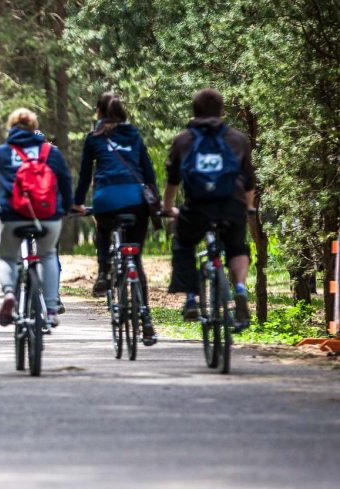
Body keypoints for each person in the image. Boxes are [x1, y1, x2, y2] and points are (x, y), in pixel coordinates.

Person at [163, 87, 255, 329]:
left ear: (194, 111)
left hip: (197, 208)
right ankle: (240, 289)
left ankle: (192, 298)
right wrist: (249, 207)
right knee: (237, 247)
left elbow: (173, 179)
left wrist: (168, 208)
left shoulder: (184, 139)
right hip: (232, 205)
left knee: (183, 244)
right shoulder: (237, 139)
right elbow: (248, 180)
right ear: (222, 111)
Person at [73, 92, 158, 344]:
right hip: (136, 201)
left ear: (98, 112)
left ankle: (103, 273)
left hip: (106, 200)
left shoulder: (94, 137)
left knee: (103, 230)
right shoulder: (133, 135)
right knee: (136, 259)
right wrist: (155, 199)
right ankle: (147, 321)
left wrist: (77, 203)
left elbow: (85, 174)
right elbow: (148, 171)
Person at [0, 108, 72, 327]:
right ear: (34, 127)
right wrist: (66, 208)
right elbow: (66, 184)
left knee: (8, 258)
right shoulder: (51, 152)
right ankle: (51, 310)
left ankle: (10, 293)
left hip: (12, 214)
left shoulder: (2, 152)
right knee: (48, 255)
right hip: (47, 215)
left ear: (11, 126)